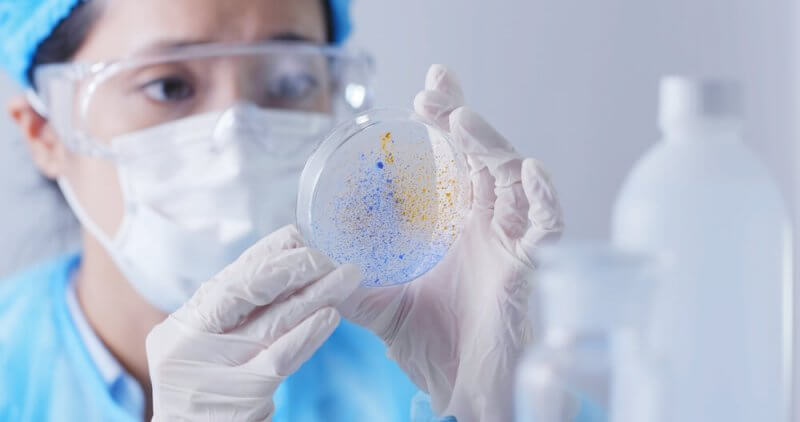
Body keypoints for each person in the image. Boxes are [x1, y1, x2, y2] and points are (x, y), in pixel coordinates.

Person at [0, 0, 564, 421]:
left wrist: (497, 406)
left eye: (291, 81)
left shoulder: (405, 364)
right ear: (45, 132)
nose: (238, 134)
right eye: (169, 86)